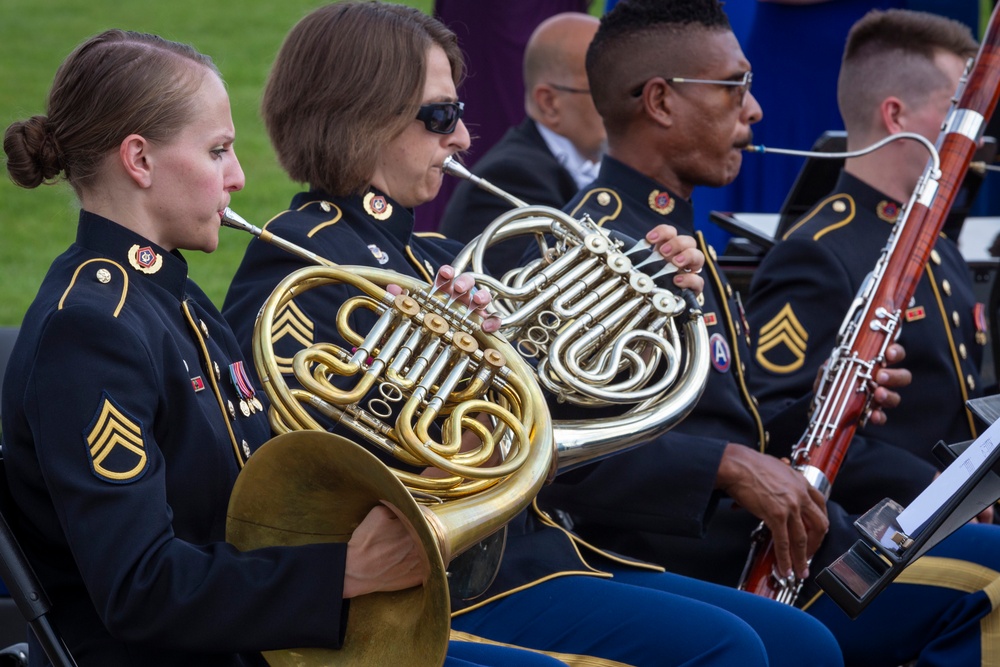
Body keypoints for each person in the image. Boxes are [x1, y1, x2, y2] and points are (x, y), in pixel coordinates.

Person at [222, 3, 846, 666]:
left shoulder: (432, 253)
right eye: (440, 115)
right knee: (732, 649)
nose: (463, 136)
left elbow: (557, 399)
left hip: (531, 552)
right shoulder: (303, 264)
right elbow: (300, 472)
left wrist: (650, 294)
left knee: (800, 643)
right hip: (440, 584)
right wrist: (456, 387)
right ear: (362, 115)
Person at [0, 28, 576, 667]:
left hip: (257, 634)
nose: (239, 177)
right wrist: (344, 575)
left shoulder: (174, 299)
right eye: (219, 151)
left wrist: (439, 427)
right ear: (139, 160)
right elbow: (141, 589)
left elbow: (252, 492)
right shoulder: (93, 329)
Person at [538, 1, 1000, 665]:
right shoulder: (592, 247)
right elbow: (557, 453)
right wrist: (724, 467)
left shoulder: (680, 235)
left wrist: (835, 402)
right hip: (690, 569)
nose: (753, 111)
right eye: (734, 87)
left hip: (776, 547)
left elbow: (738, 418)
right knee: (990, 576)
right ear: (662, 102)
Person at [747, 8, 988, 515]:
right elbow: (775, 426)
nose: (976, 133)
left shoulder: (938, 245)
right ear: (896, 116)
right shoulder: (817, 251)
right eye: (957, 110)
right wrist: (931, 485)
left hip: (957, 514)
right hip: (879, 530)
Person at [439, 12, 604, 277]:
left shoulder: (589, 164)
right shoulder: (513, 175)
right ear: (549, 103)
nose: (623, 107)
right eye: (605, 91)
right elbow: (526, 299)